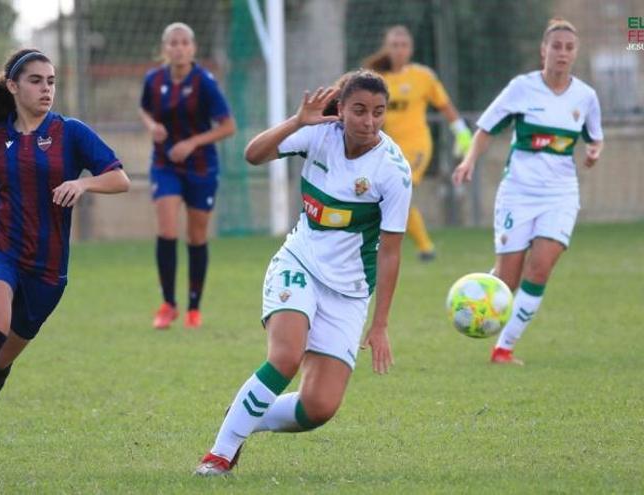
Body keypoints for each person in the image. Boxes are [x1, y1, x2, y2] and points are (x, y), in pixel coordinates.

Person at [194, 70, 412, 476]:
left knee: (319, 407)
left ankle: (243, 414)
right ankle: (219, 456)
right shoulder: (318, 135)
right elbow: (253, 155)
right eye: (360, 110)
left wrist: (380, 324)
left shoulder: (393, 171)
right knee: (285, 357)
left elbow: (392, 254)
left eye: (378, 112)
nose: (368, 121)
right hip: (300, 264)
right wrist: (297, 121)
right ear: (342, 110)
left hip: (348, 292)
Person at [0, 49, 130, 469]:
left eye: (51, 81)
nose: (46, 89)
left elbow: (120, 179)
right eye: (36, 81)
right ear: (14, 86)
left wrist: (83, 185)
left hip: (48, 268)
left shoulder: (72, 133)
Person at [453, 18, 603, 365]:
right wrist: (469, 161)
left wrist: (594, 152)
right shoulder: (522, 88)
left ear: (575, 53)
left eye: (569, 48)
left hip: (561, 194)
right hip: (518, 192)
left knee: (539, 269)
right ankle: (473, 302)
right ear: (543, 51)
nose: (562, 53)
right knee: (507, 279)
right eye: (556, 46)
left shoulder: (586, 96)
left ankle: (503, 348)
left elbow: (595, 137)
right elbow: (486, 128)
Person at [139, 22, 236, 330]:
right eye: (173, 43)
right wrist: (151, 125)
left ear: (192, 48)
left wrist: (193, 142)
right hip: (165, 164)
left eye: (184, 43)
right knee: (166, 228)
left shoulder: (205, 82)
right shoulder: (153, 80)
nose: (178, 48)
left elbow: (227, 126)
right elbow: (144, 109)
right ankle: (168, 304)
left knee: (196, 235)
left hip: (201, 167)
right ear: (165, 49)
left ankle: (194, 307)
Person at [363, 25, 472, 261]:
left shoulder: (423, 77)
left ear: (411, 49)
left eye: (403, 45)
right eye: (394, 45)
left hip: (418, 147)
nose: (399, 50)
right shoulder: (378, 80)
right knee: (386, 197)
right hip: (389, 147)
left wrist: (462, 134)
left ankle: (424, 248)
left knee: (398, 191)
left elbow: (445, 105)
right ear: (387, 47)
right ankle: (422, 248)